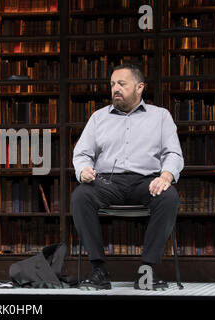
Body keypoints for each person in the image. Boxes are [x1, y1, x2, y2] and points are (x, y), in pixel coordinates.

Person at [71, 63, 184, 290]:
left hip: (147, 181)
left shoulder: (161, 116)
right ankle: (98, 270)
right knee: (80, 196)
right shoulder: (98, 118)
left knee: (169, 197)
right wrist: (83, 169)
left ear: (139, 87)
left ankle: (147, 270)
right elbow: (82, 153)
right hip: (106, 182)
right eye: (113, 84)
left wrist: (166, 176)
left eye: (121, 84)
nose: (115, 89)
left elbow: (173, 153)